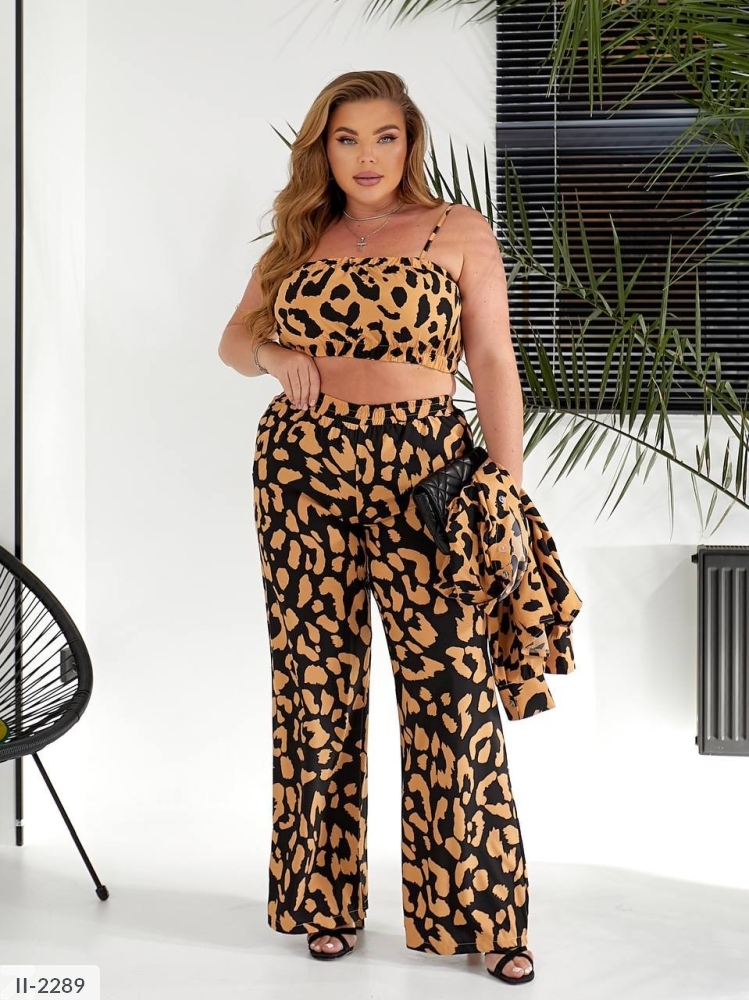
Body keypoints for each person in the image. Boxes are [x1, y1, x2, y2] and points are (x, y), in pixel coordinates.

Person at [218, 70, 534, 984]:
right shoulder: (299, 235)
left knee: (452, 693)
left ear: (409, 142)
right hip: (301, 473)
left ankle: (482, 914)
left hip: (427, 473)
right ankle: (322, 901)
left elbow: (492, 359)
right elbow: (232, 341)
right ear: (323, 148)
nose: (365, 157)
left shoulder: (456, 229)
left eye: (383, 137)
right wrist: (272, 352)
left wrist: (504, 490)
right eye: (346, 138)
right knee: (314, 687)